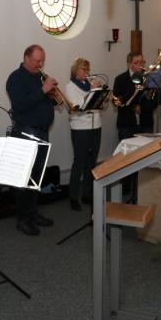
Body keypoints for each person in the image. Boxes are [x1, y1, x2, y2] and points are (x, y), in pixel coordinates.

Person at [5, 44, 56, 235]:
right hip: (26, 133)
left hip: (42, 132)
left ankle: (33, 213)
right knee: (23, 177)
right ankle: (22, 219)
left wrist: (52, 95)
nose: (41, 64)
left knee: (37, 177)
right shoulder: (15, 79)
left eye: (42, 60)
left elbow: (43, 101)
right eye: (37, 60)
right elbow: (19, 106)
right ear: (26, 58)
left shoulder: (39, 77)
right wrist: (43, 90)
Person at [112, 52, 155, 203]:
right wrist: (134, 104)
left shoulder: (148, 77)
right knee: (126, 157)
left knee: (144, 156)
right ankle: (125, 188)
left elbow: (154, 99)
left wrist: (143, 106)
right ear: (130, 64)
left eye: (142, 61)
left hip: (145, 121)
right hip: (127, 122)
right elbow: (118, 101)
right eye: (137, 62)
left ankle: (142, 189)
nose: (141, 65)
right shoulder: (120, 79)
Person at [65, 58, 103, 211]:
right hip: (80, 128)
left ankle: (87, 193)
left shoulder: (89, 85)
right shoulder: (70, 86)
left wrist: (101, 93)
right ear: (75, 71)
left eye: (87, 69)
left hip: (96, 126)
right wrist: (94, 91)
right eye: (83, 69)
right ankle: (73, 197)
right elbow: (80, 106)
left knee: (91, 162)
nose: (86, 73)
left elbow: (100, 105)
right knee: (79, 161)